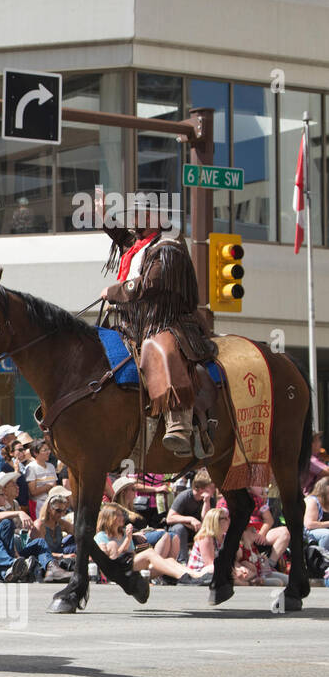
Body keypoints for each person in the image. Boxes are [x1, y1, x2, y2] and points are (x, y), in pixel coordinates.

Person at [99, 207, 216, 455]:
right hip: (132, 321)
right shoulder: (141, 244)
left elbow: (150, 283)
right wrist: (103, 214)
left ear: (159, 219)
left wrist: (112, 292)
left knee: (163, 350)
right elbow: (120, 235)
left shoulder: (169, 247)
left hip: (165, 320)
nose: (136, 219)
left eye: (143, 214)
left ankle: (180, 425)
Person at [95, 503, 209, 585]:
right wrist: (128, 540)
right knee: (149, 553)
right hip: (117, 571)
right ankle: (182, 577)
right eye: (118, 515)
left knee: (170, 560)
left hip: (131, 566)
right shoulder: (101, 536)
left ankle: (196, 575)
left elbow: (131, 553)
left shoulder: (123, 532)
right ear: (109, 518)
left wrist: (130, 538)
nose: (122, 518)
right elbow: (112, 560)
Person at [110, 475, 181, 565]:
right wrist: (134, 534)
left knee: (174, 537)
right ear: (123, 492)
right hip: (131, 541)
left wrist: (149, 530)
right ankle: (156, 569)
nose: (135, 492)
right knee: (164, 535)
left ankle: (168, 573)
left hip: (140, 537)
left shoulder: (132, 509)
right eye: (133, 489)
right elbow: (114, 530)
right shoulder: (116, 510)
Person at [21, 486, 75, 579]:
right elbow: (41, 551)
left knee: (77, 541)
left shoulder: (61, 523)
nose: (61, 514)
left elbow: (79, 534)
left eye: (64, 511)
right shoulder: (39, 525)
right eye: (58, 511)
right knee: (42, 545)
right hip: (42, 558)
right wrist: (64, 556)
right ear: (49, 509)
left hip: (58, 555)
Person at [166, 470, 215, 564]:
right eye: (211, 487)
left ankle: (207, 561)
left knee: (211, 530)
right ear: (201, 488)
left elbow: (206, 522)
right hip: (182, 530)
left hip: (198, 530)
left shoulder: (210, 500)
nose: (214, 490)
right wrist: (191, 519)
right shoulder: (185, 496)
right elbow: (170, 518)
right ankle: (182, 561)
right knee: (179, 529)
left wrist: (206, 502)